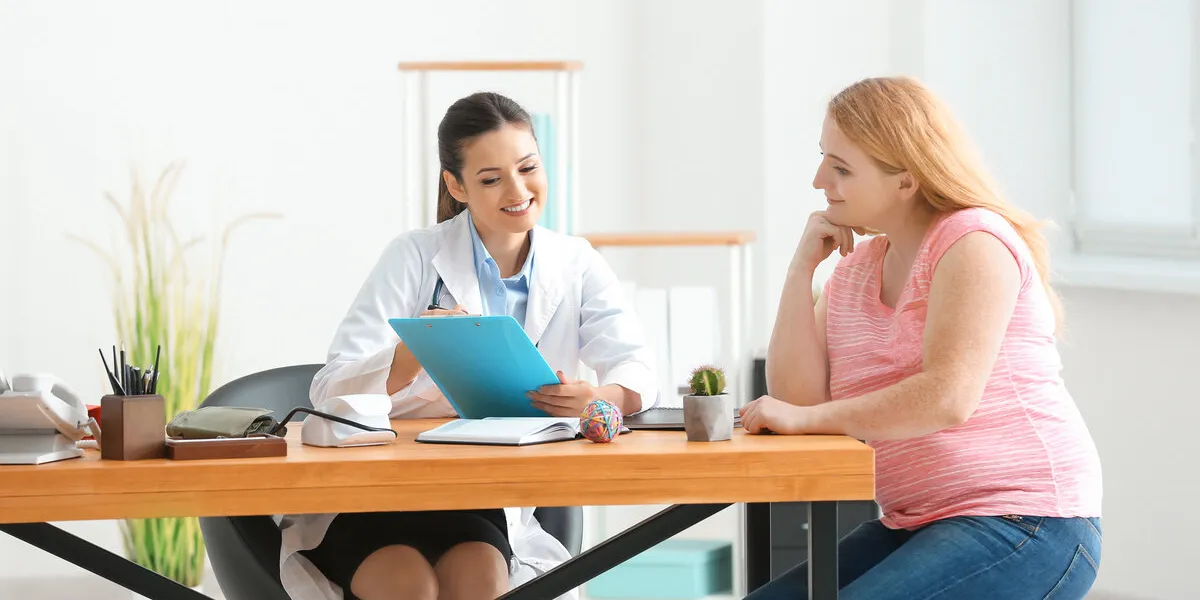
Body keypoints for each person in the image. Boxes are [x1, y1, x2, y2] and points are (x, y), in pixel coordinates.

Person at [277, 91, 658, 600]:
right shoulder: (414, 256)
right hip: (376, 488)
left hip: (479, 494)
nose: (518, 190)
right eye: (491, 178)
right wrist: (416, 349)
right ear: (456, 186)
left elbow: (637, 366)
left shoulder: (576, 262)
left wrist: (599, 397)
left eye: (528, 168)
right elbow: (330, 388)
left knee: (479, 581)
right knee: (410, 586)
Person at [740, 76, 1103, 599]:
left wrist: (805, 418)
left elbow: (946, 397)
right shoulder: (856, 270)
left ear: (905, 182)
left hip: (1028, 518)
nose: (819, 180)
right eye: (824, 159)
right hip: (915, 522)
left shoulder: (973, 240)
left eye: (842, 168)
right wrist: (801, 271)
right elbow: (797, 403)